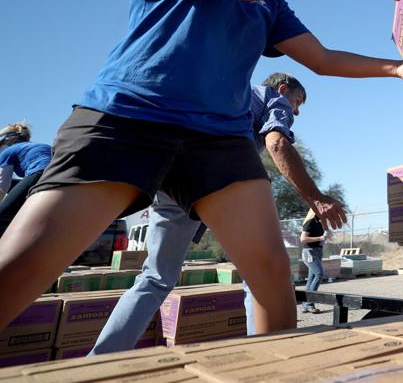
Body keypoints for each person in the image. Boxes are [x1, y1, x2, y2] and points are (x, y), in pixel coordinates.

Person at [0, 0, 403, 334]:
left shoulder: (271, 2)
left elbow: (323, 59)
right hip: (130, 116)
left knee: (272, 277)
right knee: (25, 264)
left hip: (218, 138)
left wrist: (399, 69)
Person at [90, 73, 339, 354]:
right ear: (283, 89)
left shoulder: (227, 89)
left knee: (155, 278)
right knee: (259, 275)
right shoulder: (272, 98)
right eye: (297, 102)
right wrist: (316, 198)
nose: (296, 110)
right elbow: (277, 144)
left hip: (170, 175)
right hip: (216, 173)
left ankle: (96, 359)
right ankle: (266, 357)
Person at [0, 123, 52, 235]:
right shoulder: (40, 146)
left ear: (10, 138)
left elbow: (2, 188)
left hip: (39, 174)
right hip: (60, 176)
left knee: (2, 217)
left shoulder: (7, 152)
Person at [299, 209, 328, 314]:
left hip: (317, 251)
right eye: (323, 212)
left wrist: (323, 238)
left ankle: (306, 304)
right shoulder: (309, 222)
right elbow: (303, 239)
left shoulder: (318, 222)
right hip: (309, 252)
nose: (325, 214)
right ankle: (309, 304)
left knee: (311, 278)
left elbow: (319, 238)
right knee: (319, 274)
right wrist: (320, 237)